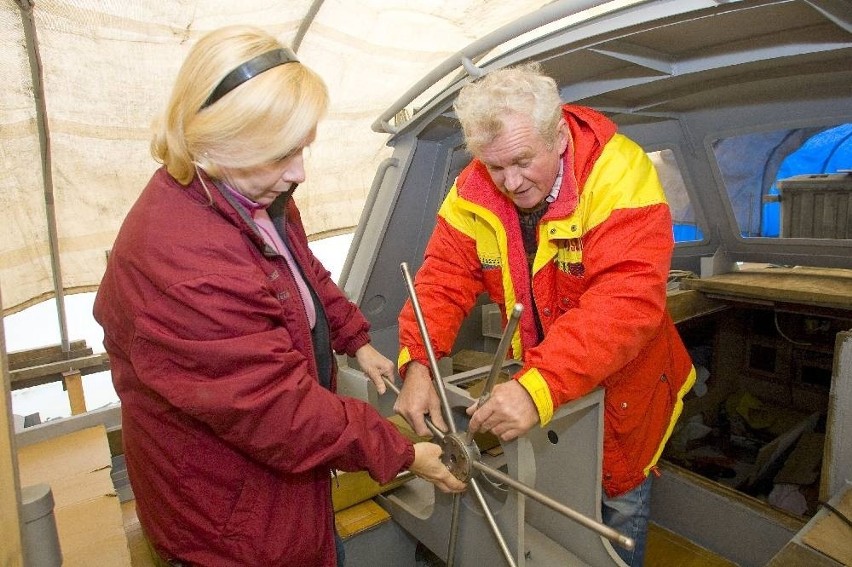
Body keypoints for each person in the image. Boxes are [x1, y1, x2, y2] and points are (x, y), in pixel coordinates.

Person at [93, 25, 464, 567]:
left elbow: (300, 273)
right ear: (220, 142)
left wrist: (355, 338)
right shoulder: (187, 268)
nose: (300, 173)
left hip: (284, 492)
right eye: (281, 155)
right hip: (231, 522)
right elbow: (280, 413)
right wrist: (403, 452)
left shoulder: (253, 191)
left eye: (302, 149)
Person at [394, 62, 695, 566]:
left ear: (557, 136)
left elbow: (625, 301)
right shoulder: (472, 190)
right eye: (495, 167)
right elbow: (443, 278)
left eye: (522, 161)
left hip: (626, 388)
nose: (510, 182)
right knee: (560, 505)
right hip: (544, 381)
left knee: (617, 503)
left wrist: (540, 386)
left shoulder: (620, 173)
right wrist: (418, 363)